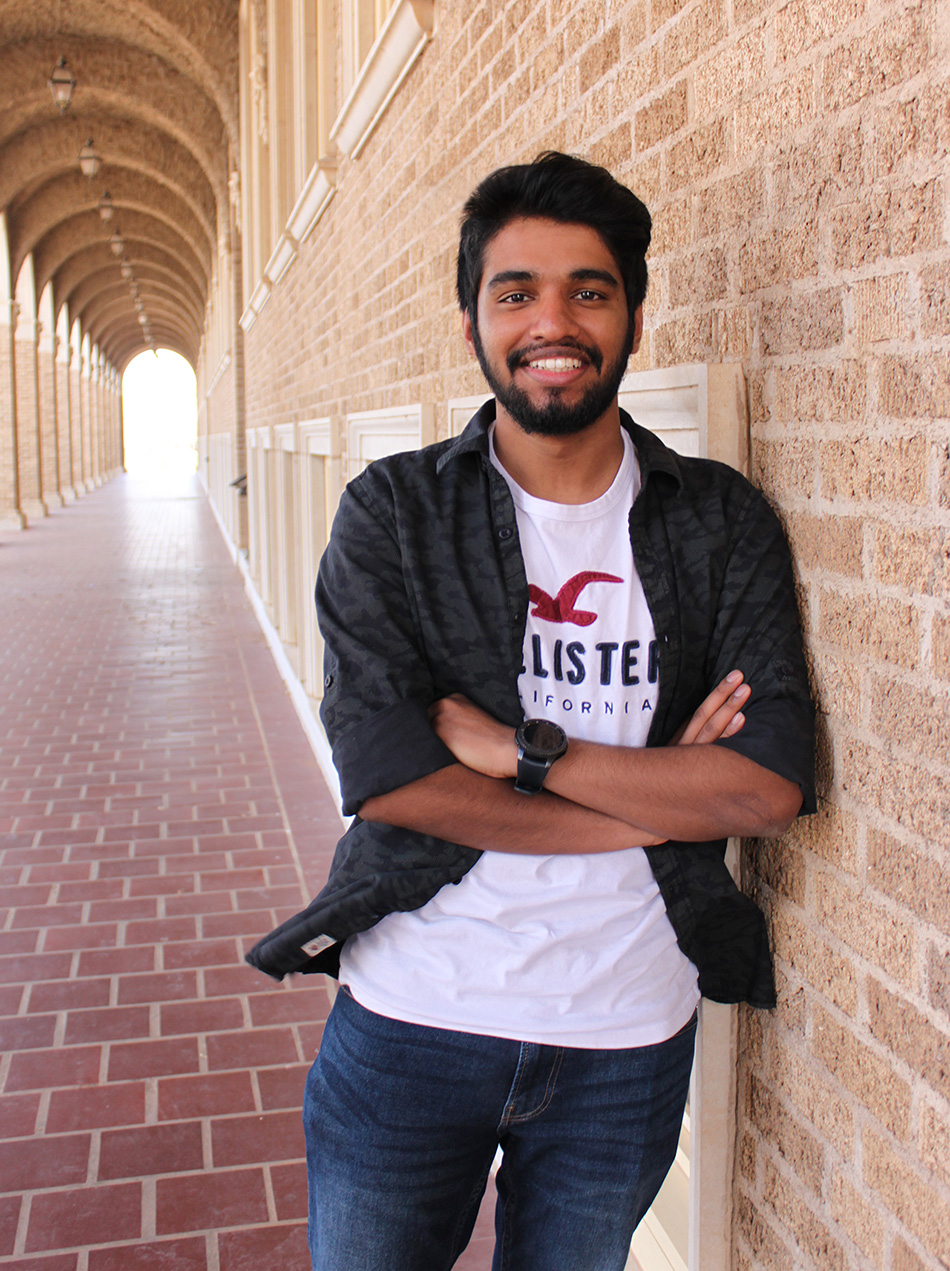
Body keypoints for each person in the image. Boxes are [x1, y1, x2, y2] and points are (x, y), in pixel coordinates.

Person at [246, 151, 815, 1271]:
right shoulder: (394, 513)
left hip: (623, 1041)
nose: (551, 320)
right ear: (471, 323)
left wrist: (520, 750)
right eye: (515, 292)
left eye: (587, 290)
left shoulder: (717, 522)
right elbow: (392, 774)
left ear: (633, 318)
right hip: (413, 1020)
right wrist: (657, 801)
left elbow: (762, 781)